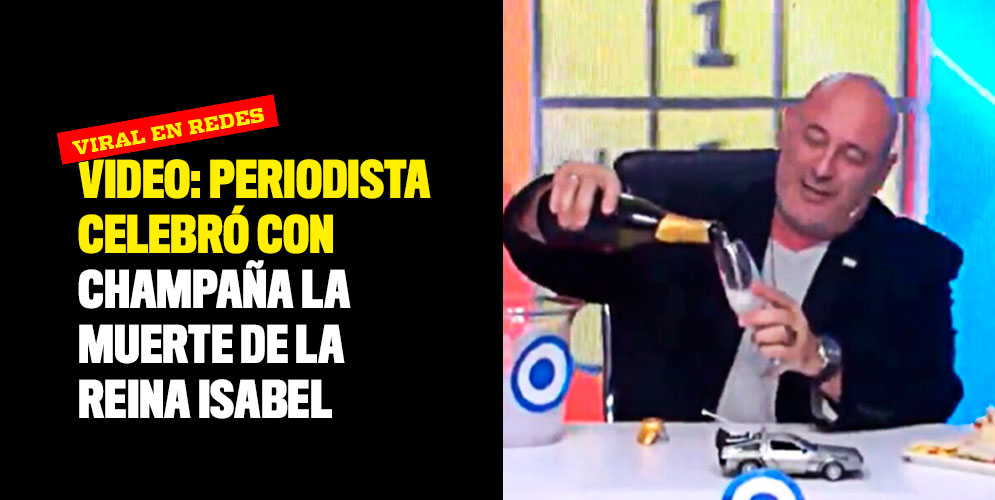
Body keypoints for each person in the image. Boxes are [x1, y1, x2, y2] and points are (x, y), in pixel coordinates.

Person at [502, 73, 964, 431]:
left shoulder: (911, 260)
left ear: (882, 173)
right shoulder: (680, 214)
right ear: (787, 129)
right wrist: (554, 202)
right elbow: (540, 254)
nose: (823, 168)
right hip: (662, 474)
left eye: (852, 156)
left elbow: (930, 399)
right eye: (814, 138)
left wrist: (820, 361)